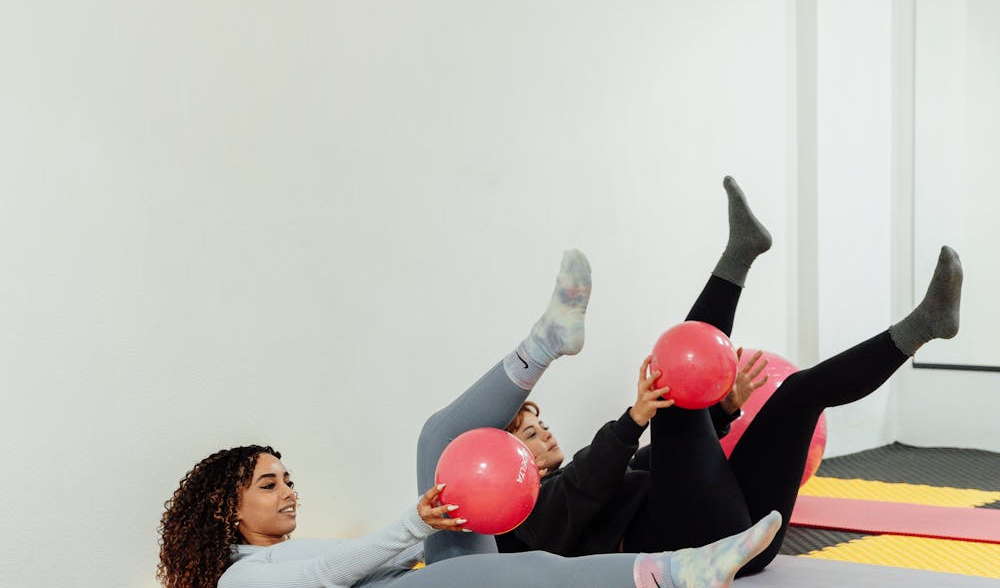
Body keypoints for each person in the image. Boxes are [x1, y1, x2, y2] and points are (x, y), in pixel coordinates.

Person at [156, 247, 783, 588]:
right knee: (529, 569)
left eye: (286, 477)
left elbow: (352, 567)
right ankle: (677, 574)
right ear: (224, 510)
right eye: (269, 484)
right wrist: (411, 527)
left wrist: (415, 546)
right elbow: (324, 576)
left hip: (427, 578)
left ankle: (545, 342)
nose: (289, 490)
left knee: (437, 435)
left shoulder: (274, 556)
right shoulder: (238, 584)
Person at [497, 177, 963, 576]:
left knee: (800, 392)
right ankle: (738, 255)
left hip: (743, 537)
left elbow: (668, 465)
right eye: (531, 436)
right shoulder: (527, 521)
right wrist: (633, 419)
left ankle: (926, 324)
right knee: (671, 391)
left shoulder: (578, 476)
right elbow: (588, 483)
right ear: (517, 469)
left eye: (539, 424)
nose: (544, 430)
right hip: (690, 550)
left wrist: (720, 414)